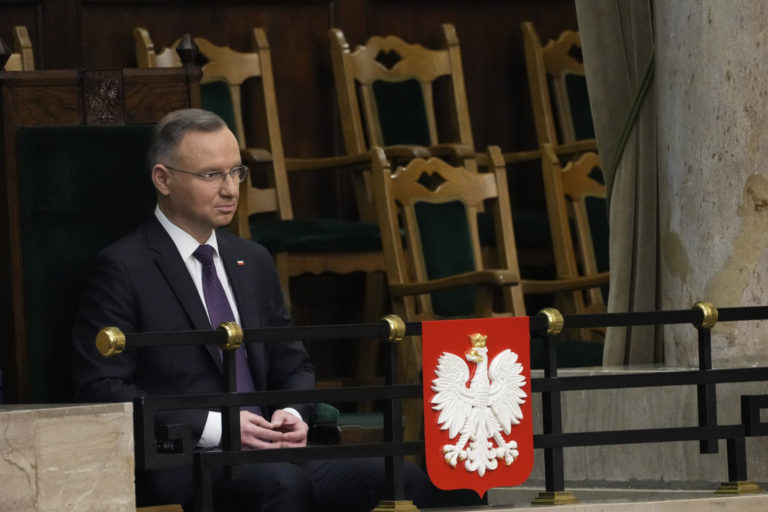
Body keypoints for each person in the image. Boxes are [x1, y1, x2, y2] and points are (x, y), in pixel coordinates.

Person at [70, 108, 437, 511]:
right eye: (211, 175)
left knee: (402, 478)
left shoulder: (253, 259)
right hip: (188, 460)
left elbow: (294, 366)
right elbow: (103, 388)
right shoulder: (123, 268)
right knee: (281, 485)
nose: (230, 189)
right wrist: (218, 427)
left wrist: (292, 412)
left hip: (272, 450)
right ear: (163, 179)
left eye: (236, 172)